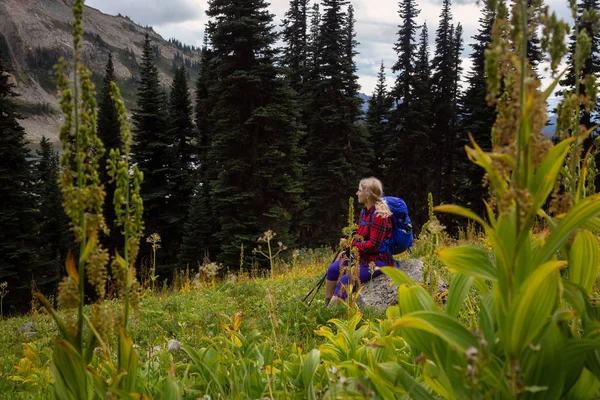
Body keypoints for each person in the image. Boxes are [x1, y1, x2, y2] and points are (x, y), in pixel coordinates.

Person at [325, 177, 394, 304]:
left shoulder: (380, 215)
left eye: (359, 190)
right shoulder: (365, 211)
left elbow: (373, 245)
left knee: (346, 280)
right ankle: (326, 305)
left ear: (367, 194)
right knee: (333, 269)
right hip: (362, 257)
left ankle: (331, 314)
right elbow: (360, 236)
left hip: (378, 260)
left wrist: (350, 244)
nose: (357, 193)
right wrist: (348, 250)